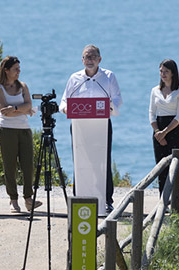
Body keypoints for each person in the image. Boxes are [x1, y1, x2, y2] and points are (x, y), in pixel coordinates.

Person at [59, 44, 123, 213]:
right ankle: (79, 197)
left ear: (99, 59)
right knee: (79, 161)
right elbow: (64, 101)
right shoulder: (74, 78)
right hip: (80, 127)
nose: (90, 60)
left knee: (103, 162)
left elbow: (117, 100)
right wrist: (65, 108)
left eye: (93, 57)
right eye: (87, 57)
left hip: (102, 126)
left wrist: (110, 107)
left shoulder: (109, 77)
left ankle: (107, 200)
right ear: (82, 60)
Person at [0, 56, 42, 213]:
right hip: (7, 130)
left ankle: (28, 199)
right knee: (10, 166)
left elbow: (29, 106)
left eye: (19, 68)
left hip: (24, 130)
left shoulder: (23, 86)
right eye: (16, 69)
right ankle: (13, 200)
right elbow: (4, 112)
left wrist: (14, 108)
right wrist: (21, 109)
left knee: (28, 165)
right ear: (6, 70)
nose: (19, 71)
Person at [149, 59, 179, 196]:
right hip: (158, 130)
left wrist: (165, 132)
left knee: (176, 166)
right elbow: (151, 113)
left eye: (166, 72)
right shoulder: (155, 90)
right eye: (161, 71)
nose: (163, 74)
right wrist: (158, 132)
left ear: (172, 73)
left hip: (174, 130)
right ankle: (162, 198)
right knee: (161, 166)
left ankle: (176, 198)